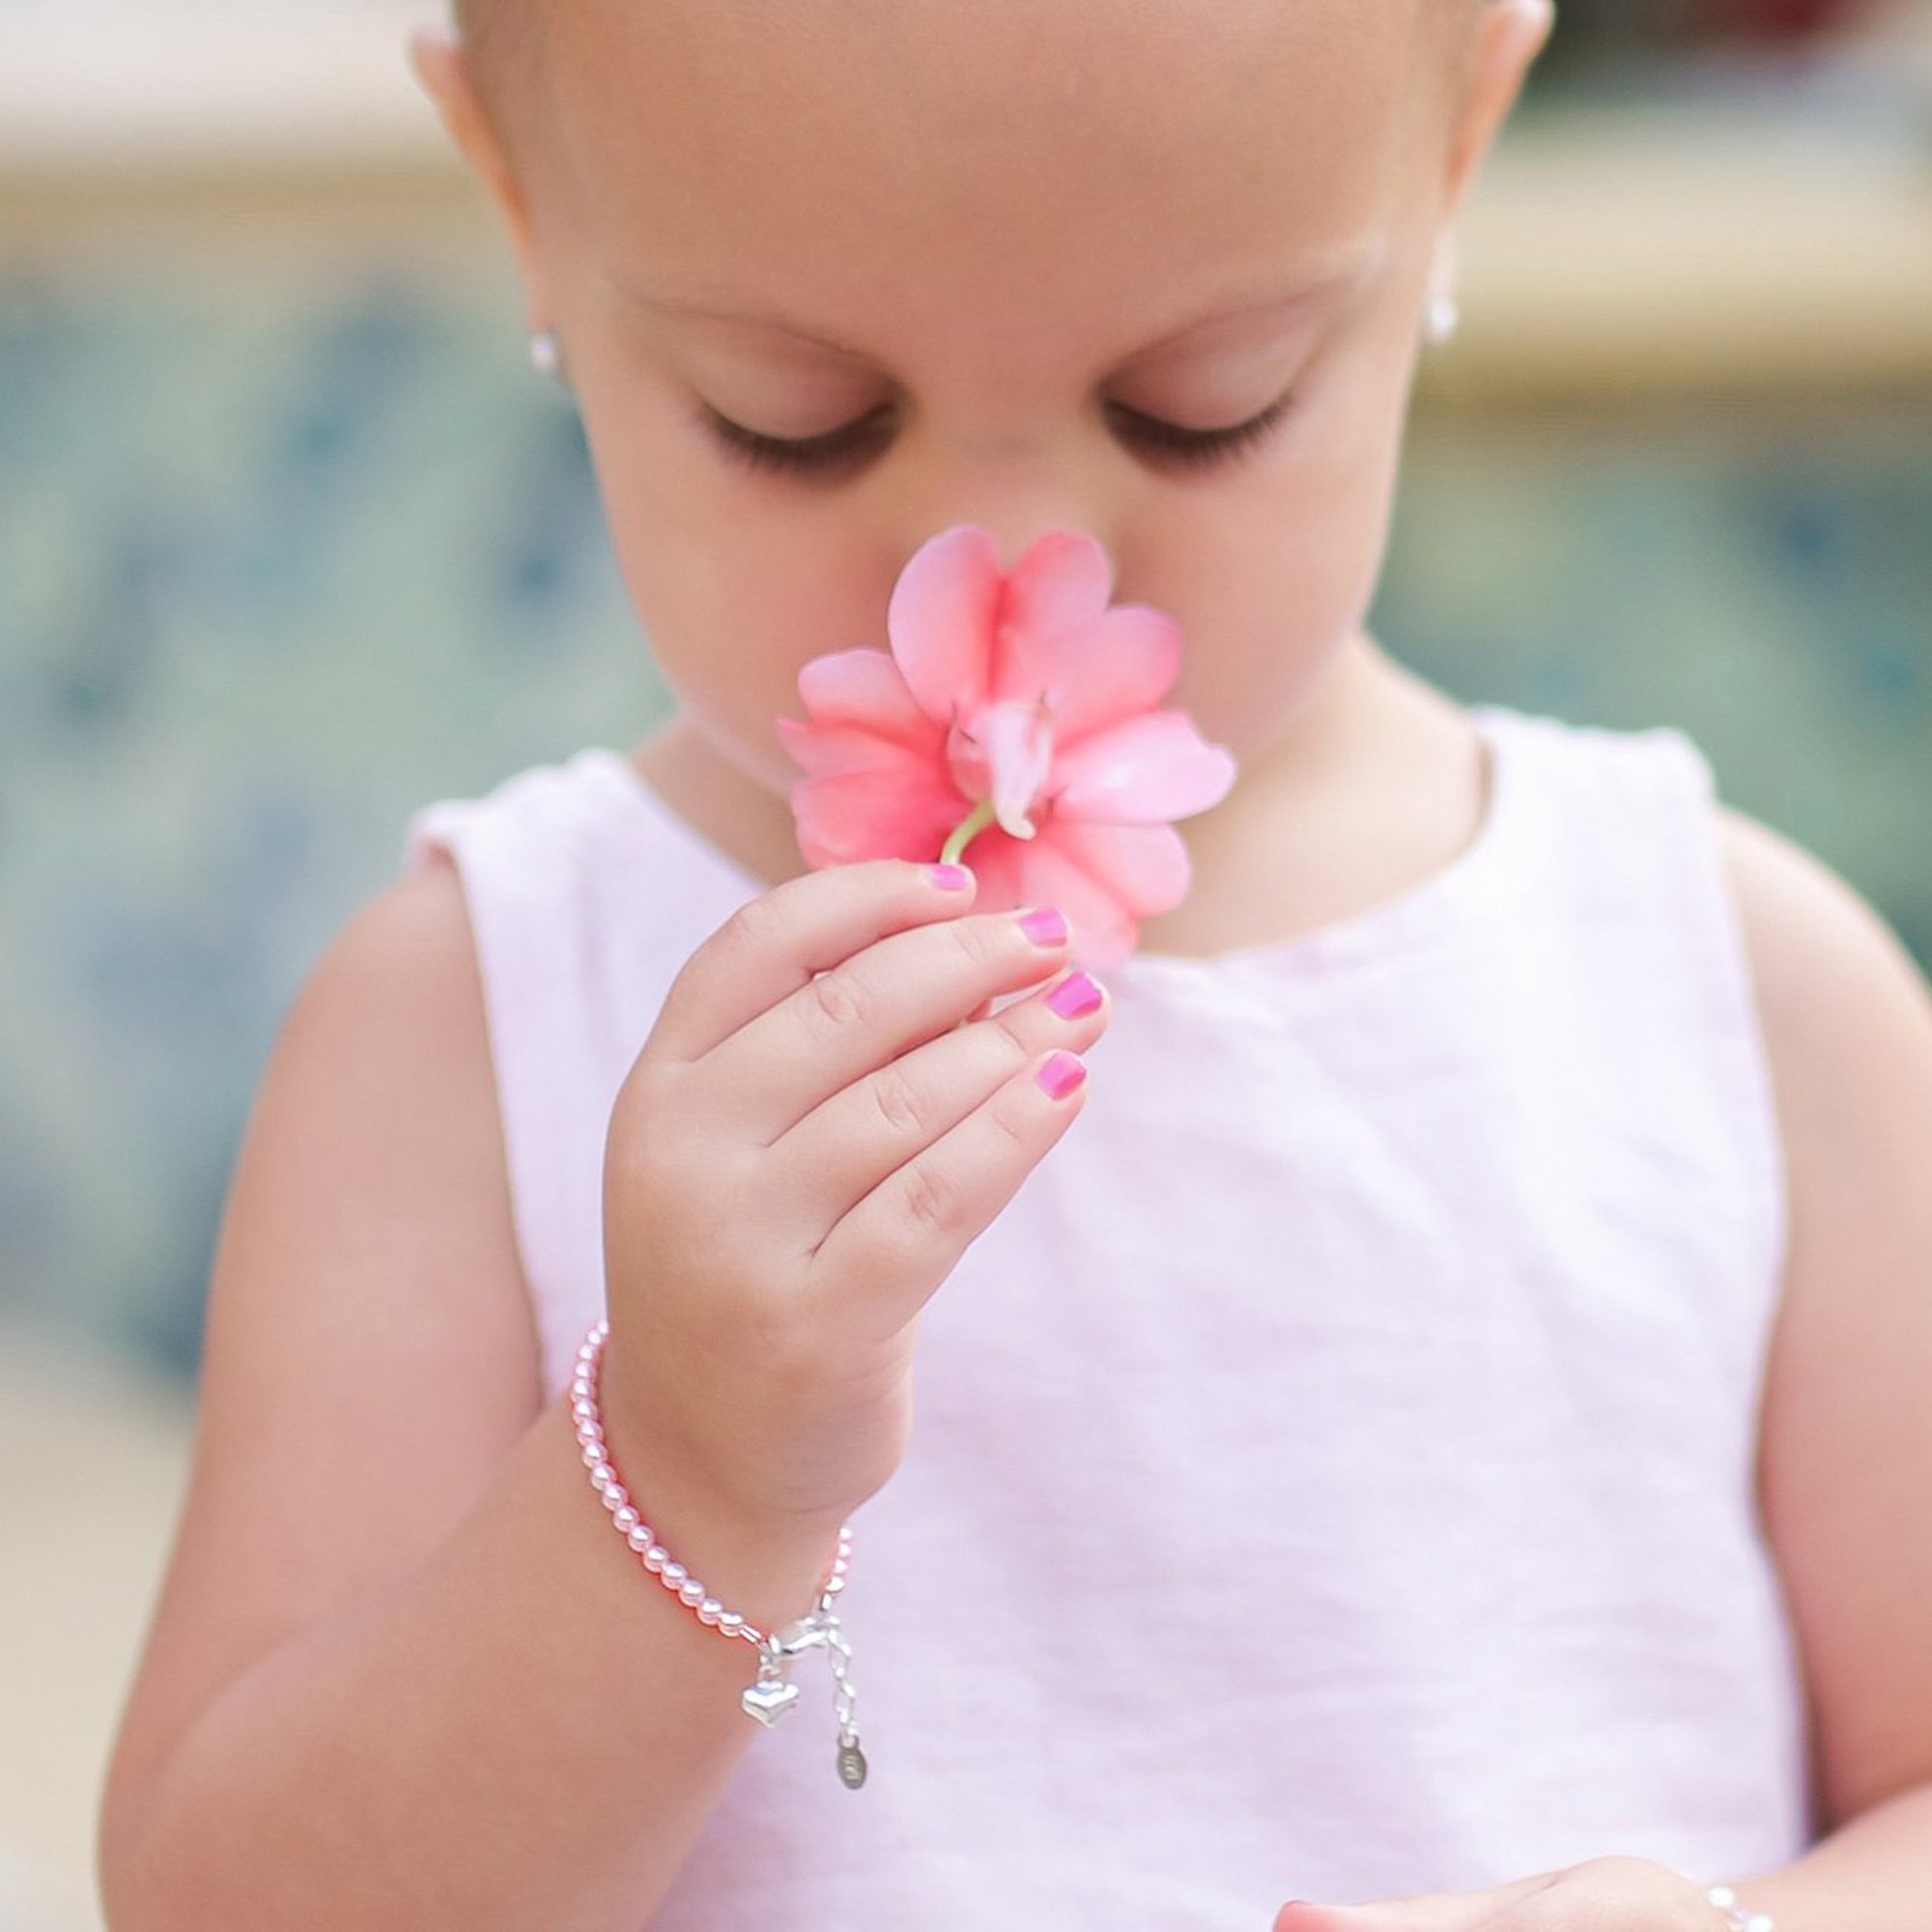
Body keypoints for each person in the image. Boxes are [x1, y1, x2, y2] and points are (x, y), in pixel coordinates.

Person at [95, 0, 1932, 1926]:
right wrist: (675, 1480)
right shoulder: (467, 1029)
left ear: (1458, 150)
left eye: (1204, 400)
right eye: (793, 420)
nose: (1001, 557)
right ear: (519, 202)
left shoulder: (1733, 998)